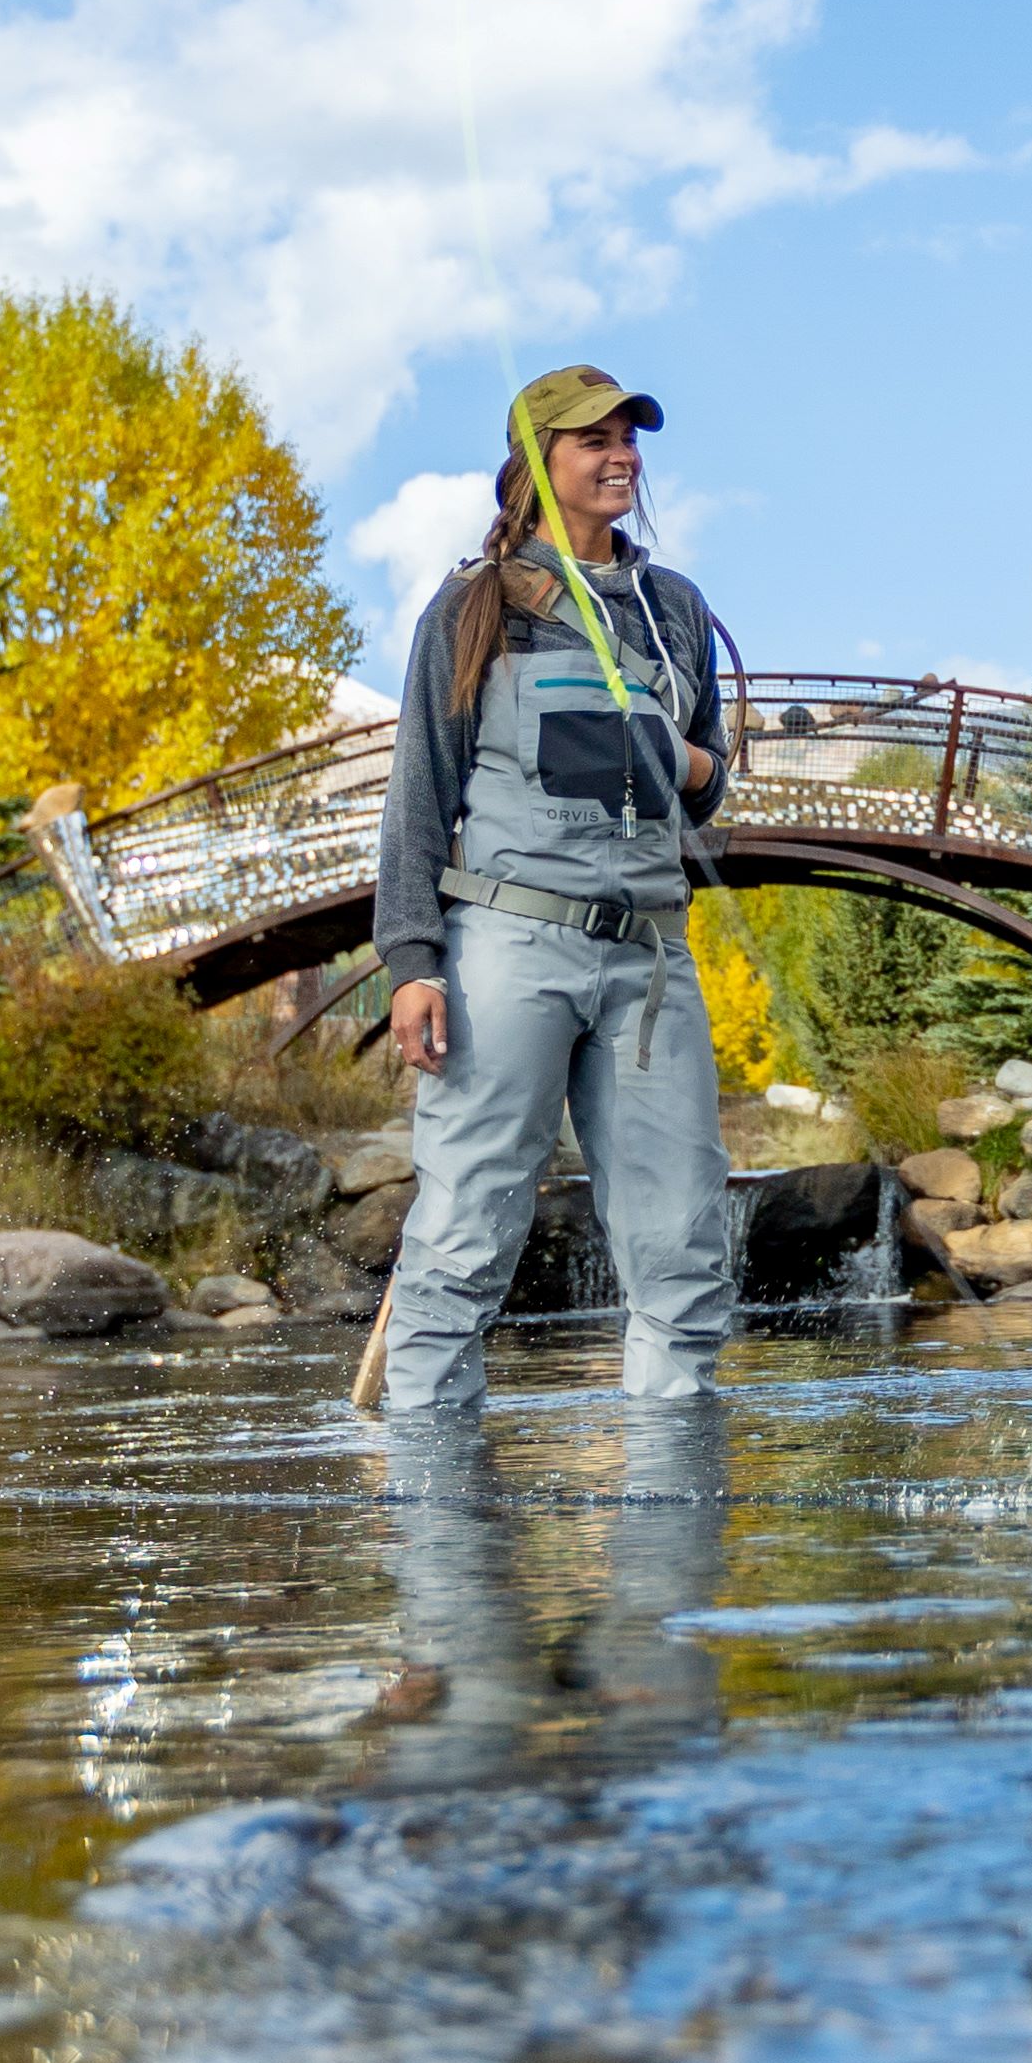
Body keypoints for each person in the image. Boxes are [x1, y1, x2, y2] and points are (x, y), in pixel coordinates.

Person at [364, 363, 739, 1411]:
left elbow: (710, 779)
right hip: (507, 947)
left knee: (684, 1246)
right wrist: (411, 960)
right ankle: (432, 1491)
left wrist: (679, 759)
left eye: (629, 437)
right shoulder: (474, 604)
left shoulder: (676, 607)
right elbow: (418, 791)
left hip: (651, 959)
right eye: (594, 439)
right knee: (465, 1237)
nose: (622, 456)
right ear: (536, 461)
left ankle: (671, 1497)